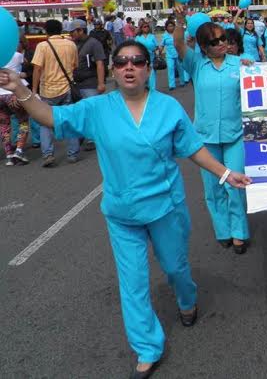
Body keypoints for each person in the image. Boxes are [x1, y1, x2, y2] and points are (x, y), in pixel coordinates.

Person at [0, 40, 251, 378]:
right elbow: (51, 116)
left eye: (137, 61)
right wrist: (19, 87)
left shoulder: (169, 108)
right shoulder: (98, 109)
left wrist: (224, 173)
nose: (129, 67)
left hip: (166, 208)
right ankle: (147, 347)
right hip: (122, 213)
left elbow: (193, 148)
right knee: (132, 283)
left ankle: (186, 298)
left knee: (176, 267)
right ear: (114, 70)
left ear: (149, 68)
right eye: (120, 62)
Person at [174, 8, 251, 254]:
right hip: (205, 139)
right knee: (214, 188)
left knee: (235, 184)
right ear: (204, 47)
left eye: (224, 39)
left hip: (235, 135)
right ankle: (223, 230)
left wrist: (253, 68)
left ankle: (239, 232)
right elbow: (178, 44)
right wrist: (179, 21)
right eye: (215, 41)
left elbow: (264, 84)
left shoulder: (240, 63)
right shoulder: (196, 65)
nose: (222, 44)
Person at [31, 19, 80, 167]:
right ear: (61, 30)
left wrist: (34, 89)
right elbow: (74, 65)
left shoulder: (42, 46)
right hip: (66, 88)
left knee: (45, 123)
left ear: (46, 31)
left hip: (47, 90)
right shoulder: (71, 45)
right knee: (69, 120)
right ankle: (72, 153)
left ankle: (48, 154)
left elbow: (37, 69)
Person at [70, 19, 107, 151]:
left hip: (90, 82)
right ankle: (84, 134)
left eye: (73, 31)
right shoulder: (72, 44)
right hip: (76, 84)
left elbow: (100, 63)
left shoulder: (94, 44)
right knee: (80, 111)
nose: (71, 34)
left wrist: (101, 83)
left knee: (92, 110)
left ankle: (93, 137)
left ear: (81, 30)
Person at [1, 42, 29, 165]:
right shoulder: (18, 55)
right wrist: (21, 74)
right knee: (23, 121)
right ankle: (19, 151)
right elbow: (26, 65)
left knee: (4, 125)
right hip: (14, 94)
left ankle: (9, 155)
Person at [161, 21, 189, 91]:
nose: (171, 27)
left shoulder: (177, 34)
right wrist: (159, 52)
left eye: (172, 26)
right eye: (169, 26)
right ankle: (171, 85)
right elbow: (162, 45)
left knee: (180, 68)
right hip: (169, 55)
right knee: (170, 68)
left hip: (178, 54)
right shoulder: (165, 35)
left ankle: (182, 81)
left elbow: (183, 43)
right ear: (166, 27)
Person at [135, 21, 160, 90]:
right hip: (141, 59)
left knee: (152, 75)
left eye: (147, 26)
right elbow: (135, 48)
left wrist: (157, 52)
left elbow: (157, 46)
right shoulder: (138, 37)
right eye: (144, 27)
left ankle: (152, 89)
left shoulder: (152, 36)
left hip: (151, 57)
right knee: (142, 74)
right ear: (141, 28)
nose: (146, 28)